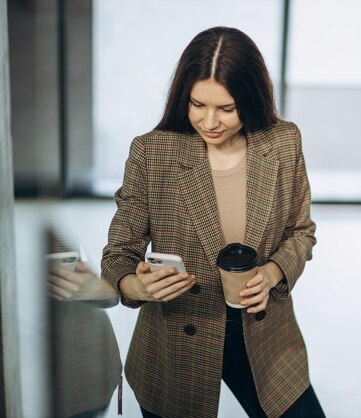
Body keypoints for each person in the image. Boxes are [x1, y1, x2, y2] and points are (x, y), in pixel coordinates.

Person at [101, 27, 324, 418]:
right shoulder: (152, 153)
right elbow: (119, 252)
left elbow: (300, 231)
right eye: (197, 104)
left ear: (252, 100)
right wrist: (137, 285)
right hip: (175, 340)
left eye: (227, 109)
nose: (210, 122)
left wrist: (273, 273)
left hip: (263, 332)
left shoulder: (284, 143)